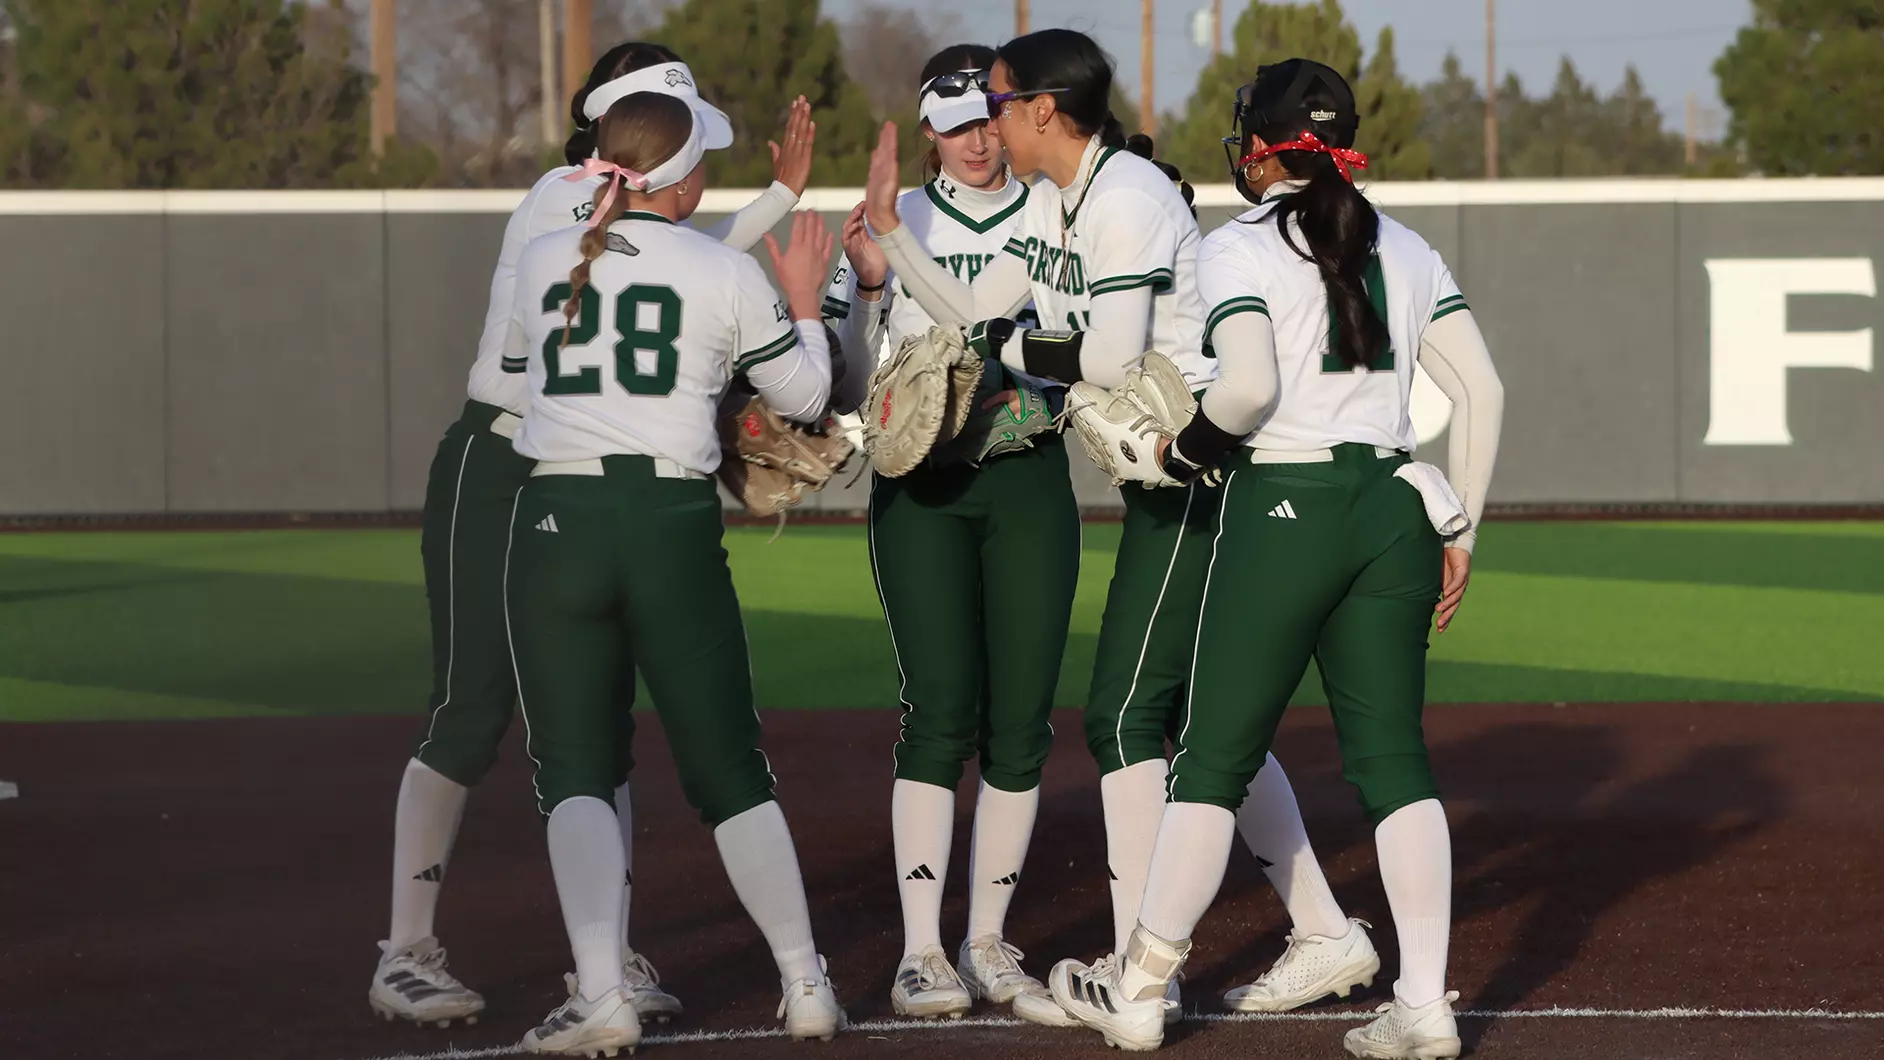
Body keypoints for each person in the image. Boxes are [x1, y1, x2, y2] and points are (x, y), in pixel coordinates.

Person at [862, 28, 1379, 1030]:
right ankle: (1320, 928)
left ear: (1044, 111)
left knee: (1125, 715)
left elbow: (1105, 353)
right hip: (1169, 478)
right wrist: (895, 235)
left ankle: (1142, 969)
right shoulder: (1066, 201)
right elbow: (978, 313)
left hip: (1197, 472)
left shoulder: (1128, 201)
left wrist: (1007, 343)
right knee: (1190, 721)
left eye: (999, 102)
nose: (985, 121)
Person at [1044, 60, 1504, 1056]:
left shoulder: (1237, 244)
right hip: (1394, 507)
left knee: (1211, 757)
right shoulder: (1410, 245)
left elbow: (1245, 390)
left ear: (1258, 145)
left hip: (1284, 502)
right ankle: (1423, 1005)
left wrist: (1180, 450)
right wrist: (1460, 527)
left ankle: (1139, 985)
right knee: (1395, 763)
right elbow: (1484, 391)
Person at [370, 41, 816, 1029]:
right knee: (475, 709)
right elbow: (663, 249)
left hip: (571, 478)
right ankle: (405, 947)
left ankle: (600, 968)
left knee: (595, 729)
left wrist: (778, 203)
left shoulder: (603, 206)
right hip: (501, 467)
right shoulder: (562, 198)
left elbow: (670, 253)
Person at [500, 90, 846, 1055]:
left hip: (557, 521)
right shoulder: (721, 267)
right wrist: (810, 307)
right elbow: (810, 395)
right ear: (681, 176)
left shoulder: (541, 258)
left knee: (571, 771)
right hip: (668, 519)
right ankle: (806, 984)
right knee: (729, 769)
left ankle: (604, 996)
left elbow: (525, 365)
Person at [825, 44, 1076, 1020]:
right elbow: (851, 378)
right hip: (922, 485)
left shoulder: (1052, 210)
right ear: (926, 128)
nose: (977, 138)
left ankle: (988, 941)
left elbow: (988, 325)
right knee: (935, 710)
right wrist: (873, 287)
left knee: (1021, 722)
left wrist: (897, 243)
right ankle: (923, 950)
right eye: (956, 120)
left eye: (988, 116)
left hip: (1024, 470)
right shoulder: (903, 217)